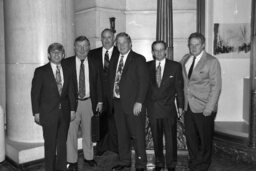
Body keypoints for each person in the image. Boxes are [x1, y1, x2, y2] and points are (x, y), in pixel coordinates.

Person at [31, 43, 76, 171]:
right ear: (49, 55)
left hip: (65, 113)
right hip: (48, 114)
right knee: (50, 145)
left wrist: (73, 109)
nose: (56, 54)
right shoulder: (41, 71)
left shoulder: (68, 70)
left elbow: (72, 92)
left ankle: (61, 168)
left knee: (62, 145)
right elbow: (35, 94)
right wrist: (36, 113)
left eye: (59, 52)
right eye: (53, 52)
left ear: (63, 55)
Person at [180, 32, 222, 171]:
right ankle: (194, 164)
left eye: (196, 44)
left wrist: (209, 108)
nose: (193, 47)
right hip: (188, 107)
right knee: (191, 139)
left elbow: (216, 87)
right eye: (191, 44)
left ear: (203, 45)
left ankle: (203, 166)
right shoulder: (185, 59)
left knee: (205, 140)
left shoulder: (212, 61)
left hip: (204, 108)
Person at [109, 32, 149, 171]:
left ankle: (141, 164)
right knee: (122, 135)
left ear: (130, 43)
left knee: (137, 135)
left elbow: (144, 83)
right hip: (117, 104)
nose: (121, 45)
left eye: (124, 42)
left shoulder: (138, 59)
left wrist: (139, 102)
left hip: (134, 105)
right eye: (118, 43)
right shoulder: (115, 59)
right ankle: (124, 161)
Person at [63, 36, 103, 170]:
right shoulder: (66, 63)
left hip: (89, 102)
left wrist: (100, 101)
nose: (82, 49)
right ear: (74, 48)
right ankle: (72, 160)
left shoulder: (95, 62)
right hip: (71, 105)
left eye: (85, 46)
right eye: (79, 46)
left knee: (88, 132)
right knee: (71, 133)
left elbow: (99, 83)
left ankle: (89, 157)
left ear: (89, 47)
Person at [147, 41, 184, 171]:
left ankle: (171, 164)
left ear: (166, 50)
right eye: (156, 50)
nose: (159, 52)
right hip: (153, 109)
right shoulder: (147, 66)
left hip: (169, 109)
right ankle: (159, 163)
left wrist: (180, 106)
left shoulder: (175, 66)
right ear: (152, 52)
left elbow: (179, 88)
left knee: (171, 139)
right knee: (156, 139)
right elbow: (143, 88)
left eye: (161, 49)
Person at [89, 28, 119, 155]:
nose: (107, 40)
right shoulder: (93, 54)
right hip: (98, 94)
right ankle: (101, 148)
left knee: (115, 122)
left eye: (109, 37)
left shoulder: (120, 52)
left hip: (115, 95)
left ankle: (115, 147)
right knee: (101, 121)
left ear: (114, 39)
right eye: (104, 37)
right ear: (101, 39)